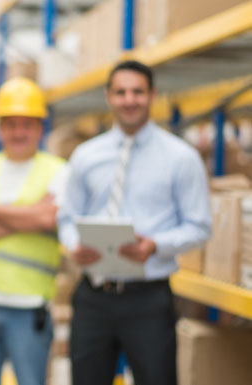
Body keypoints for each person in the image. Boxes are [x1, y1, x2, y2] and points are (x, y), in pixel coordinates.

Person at [57, 60, 212, 385]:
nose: (130, 100)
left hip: (149, 299)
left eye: (138, 92)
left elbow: (199, 226)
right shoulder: (86, 156)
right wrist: (74, 246)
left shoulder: (181, 158)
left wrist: (156, 245)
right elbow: (67, 217)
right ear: (108, 96)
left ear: (153, 95)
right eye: (121, 92)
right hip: (93, 297)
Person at [0, 77, 68, 385]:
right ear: (0, 128)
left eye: (27, 124)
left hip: (29, 304)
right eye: (11, 124)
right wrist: (29, 216)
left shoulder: (59, 171)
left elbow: (50, 219)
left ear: (40, 127)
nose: (19, 132)